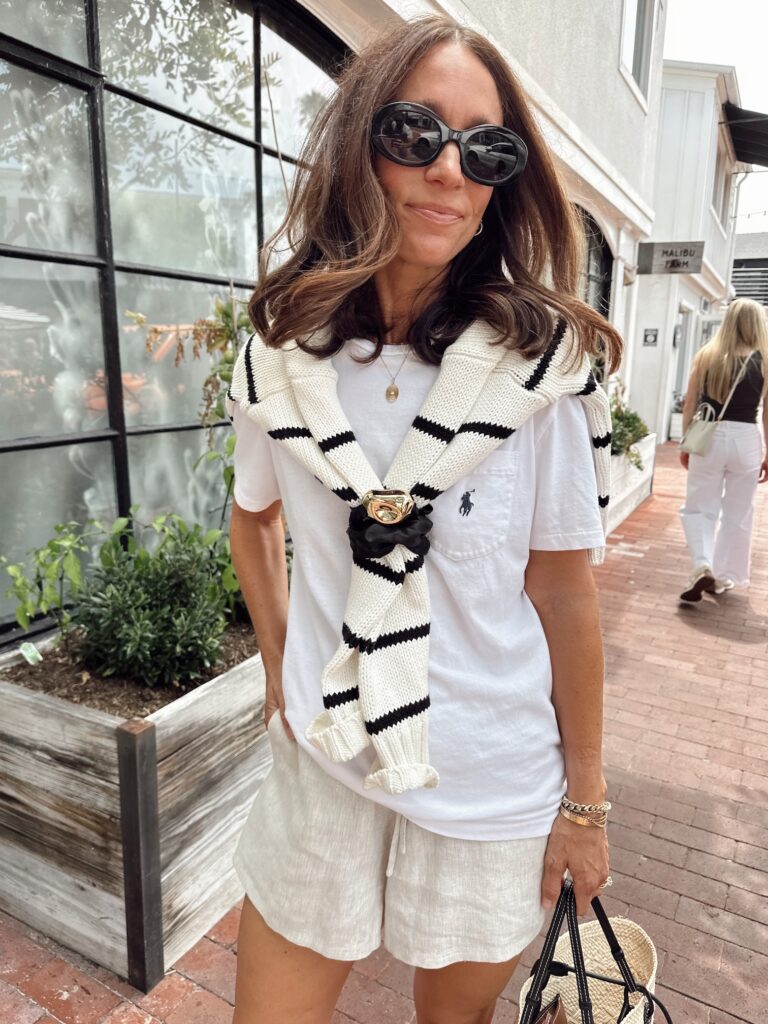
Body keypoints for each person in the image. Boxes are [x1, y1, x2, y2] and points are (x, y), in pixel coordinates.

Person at [226, 15, 622, 1024]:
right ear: (361, 142)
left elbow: (562, 592)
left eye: (487, 150)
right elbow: (252, 519)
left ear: (502, 185)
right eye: (415, 132)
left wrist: (585, 803)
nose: (449, 169)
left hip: (488, 776)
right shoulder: (281, 355)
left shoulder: (537, 373)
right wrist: (279, 671)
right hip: (327, 759)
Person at [679, 298, 768, 603]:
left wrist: (687, 440)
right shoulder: (764, 361)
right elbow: (767, 413)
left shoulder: (707, 356)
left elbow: (689, 404)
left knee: (699, 507)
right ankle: (724, 575)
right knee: (738, 511)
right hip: (747, 439)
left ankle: (702, 564)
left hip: (709, 437)